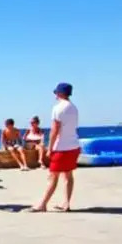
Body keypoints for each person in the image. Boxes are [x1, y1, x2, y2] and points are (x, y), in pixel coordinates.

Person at [31, 83, 80, 212]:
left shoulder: (58, 108)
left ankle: (43, 204)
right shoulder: (73, 107)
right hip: (73, 145)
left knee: (53, 176)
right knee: (68, 175)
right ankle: (66, 203)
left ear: (60, 93)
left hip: (61, 147)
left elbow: (55, 130)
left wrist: (50, 148)